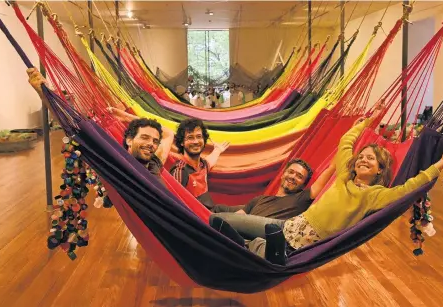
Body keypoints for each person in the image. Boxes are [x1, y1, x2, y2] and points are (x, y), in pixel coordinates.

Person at [212, 114, 443, 265]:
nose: (364, 160)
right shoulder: (344, 176)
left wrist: (441, 162)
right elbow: (346, 143)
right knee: (220, 220)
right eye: (362, 156)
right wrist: (362, 125)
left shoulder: (374, 196)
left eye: (371, 160)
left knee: (262, 248)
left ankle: (267, 251)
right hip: (288, 227)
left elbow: (411, 186)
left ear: (379, 171)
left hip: (304, 243)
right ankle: (259, 247)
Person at [27, 67, 174, 177]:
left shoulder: (155, 163)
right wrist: (43, 93)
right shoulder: (118, 166)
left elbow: (167, 133)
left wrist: (127, 117)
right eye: (144, 137)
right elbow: (72, 128)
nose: (151, 144)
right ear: (129, 140)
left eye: (155, 141)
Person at [210, 158, 336, 239]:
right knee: (218, 214)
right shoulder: (259, 199)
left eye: (299, 176)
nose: (293, 177)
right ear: (283, 174)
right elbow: (235, 219)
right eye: (291, 172)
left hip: (270, 236)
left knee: (215, 218)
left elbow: (331, 169)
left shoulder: (301, 198)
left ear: (303, 184)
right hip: (240, 236)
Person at [170, 118, 229, 210]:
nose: (196, 141)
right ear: (182, 142)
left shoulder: (202, 165)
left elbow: (210, 161)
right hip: (203, 219)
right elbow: (174, 204)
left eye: (199, 136)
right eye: (190, 137)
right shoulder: (180, 170)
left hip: (214, 210)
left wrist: (217, 150)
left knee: (258, 202)